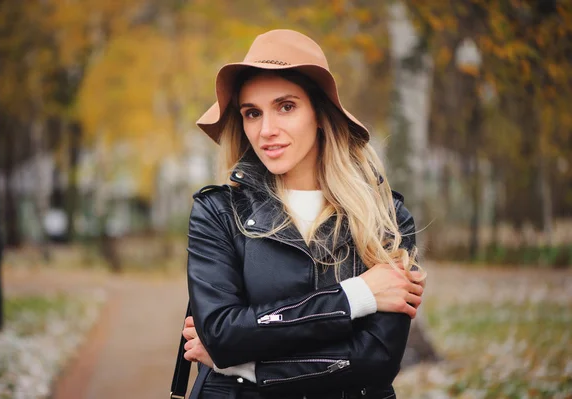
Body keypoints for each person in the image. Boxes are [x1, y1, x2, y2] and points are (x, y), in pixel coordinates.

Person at [181, 29, 427, 399]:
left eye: (286, 106)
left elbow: (377, 359)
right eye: (252, 113)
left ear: (319, 114)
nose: (266, 130)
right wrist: (358, 295)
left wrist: (247, 366)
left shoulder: (385, 218)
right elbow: (223, 335)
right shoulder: (217, 213)